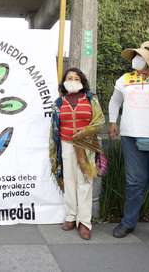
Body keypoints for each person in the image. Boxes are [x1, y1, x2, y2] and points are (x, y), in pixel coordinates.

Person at [108, 41, 149, 245]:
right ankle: (128, 222)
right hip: (130, 135)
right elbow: (115, 101)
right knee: (134, 182)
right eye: (136, 55)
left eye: (141, 56)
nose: (136, 59)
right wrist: (112, 122)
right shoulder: (125, 79)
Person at [50, 67, 105, 240]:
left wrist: (83, 133)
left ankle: (85, 222)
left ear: (81, 82)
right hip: (66, 145)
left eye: (76, 78)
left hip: (86, 145)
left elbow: (99, 121)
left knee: (85, 182)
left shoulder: (90, 99)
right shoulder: (58, 103)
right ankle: (71, 217)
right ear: (64, 82)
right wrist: (54, 151)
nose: (72, 81)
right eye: (69, 78)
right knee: (70, 181)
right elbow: (54, 129)